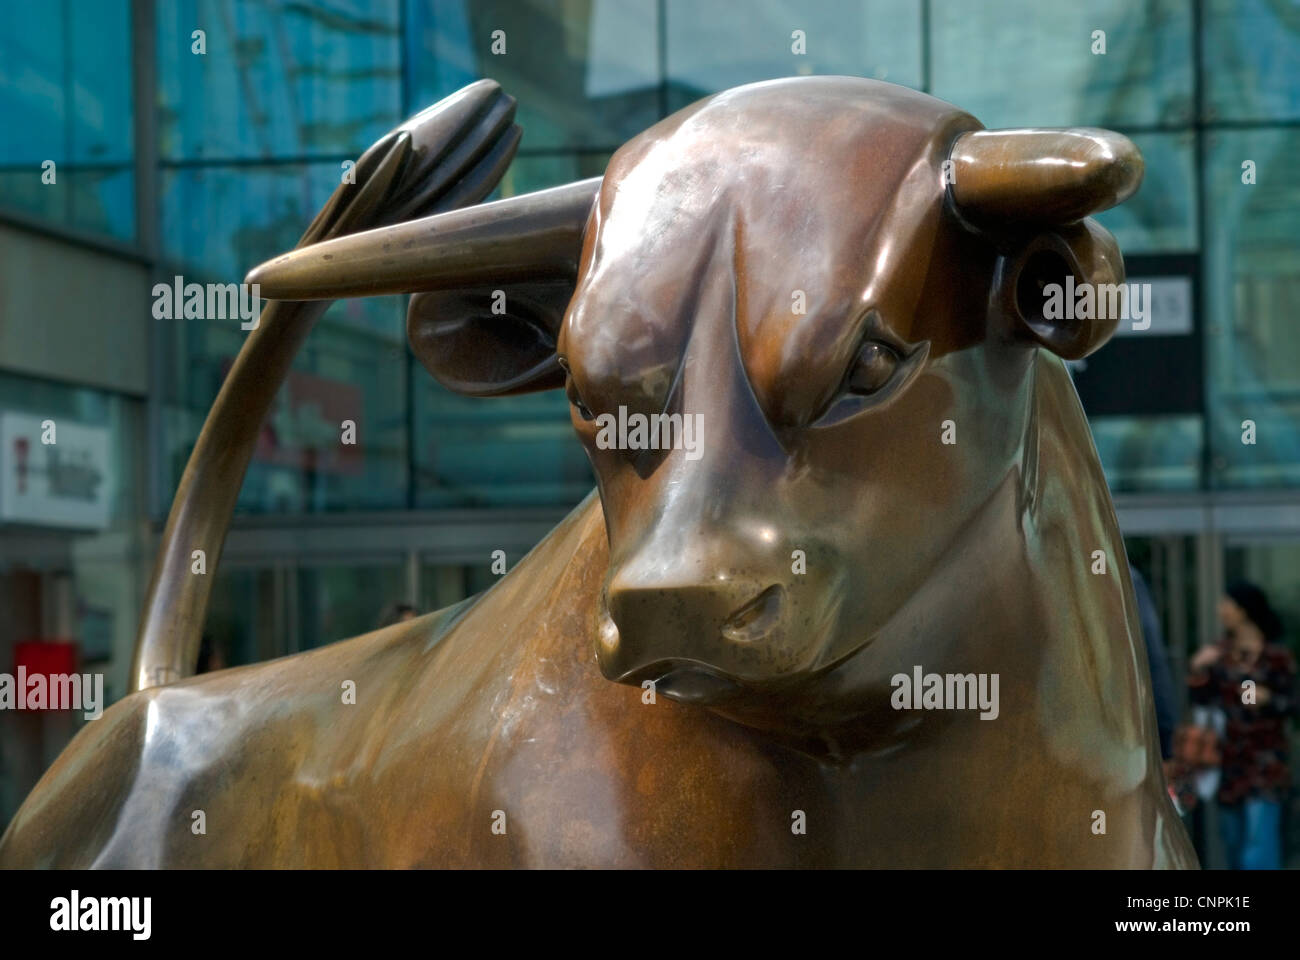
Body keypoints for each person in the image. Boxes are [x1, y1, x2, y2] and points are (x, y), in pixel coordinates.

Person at [1188, 581, 1296, 869]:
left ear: (1244, 610)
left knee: (1258, 846)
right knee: (1234, 844)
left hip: (1265, 763)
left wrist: (1268, 699)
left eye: (1228, 604)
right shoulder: (1219, 653)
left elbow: (1293, 704)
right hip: (1228, 763)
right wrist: (1198, 670)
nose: (1221, 610)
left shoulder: (1276, 657)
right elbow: (1200, 701)